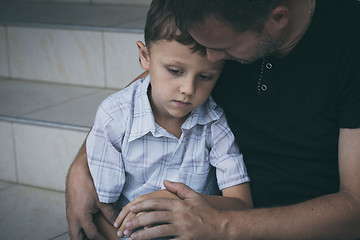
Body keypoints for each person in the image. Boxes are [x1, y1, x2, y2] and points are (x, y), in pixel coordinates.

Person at [66, 0, 360, 239]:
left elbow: (355, 208)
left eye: (223, 48)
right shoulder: (217, 25)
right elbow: (151, 82)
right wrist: (82, 166)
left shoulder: (349, 42)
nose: (210, 57)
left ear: (277, 19)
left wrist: (220, 225)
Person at [73, 1, 253, 239]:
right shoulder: (114, 116)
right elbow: (102, 210)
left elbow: (241, 205)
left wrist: (186, 202)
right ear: (145, 57)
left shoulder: (214, 122)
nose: (188, 89)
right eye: (175, 71)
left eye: (206, 76)